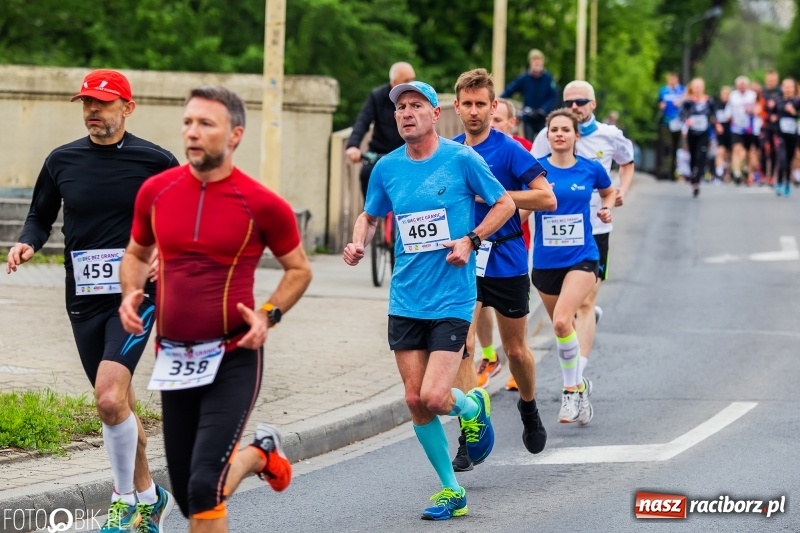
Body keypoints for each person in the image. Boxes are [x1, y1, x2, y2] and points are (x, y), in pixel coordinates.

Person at [118, 86, 313, 533]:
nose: (192, 132)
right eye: (188, 122)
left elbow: (299, 269)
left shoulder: (261, 203)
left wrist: (268, 314)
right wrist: (130, 292)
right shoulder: (156, 191)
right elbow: (135, 253)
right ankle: (260, 455)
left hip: (233, 356)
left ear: (235, 135)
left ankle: (255, 455)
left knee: (205, 486)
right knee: (190, 497)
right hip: (175, 359)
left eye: (206, 124)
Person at [5, 69, 178, 533]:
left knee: (106, 399)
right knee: (117, 404)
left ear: (127, 107)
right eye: (86, 103)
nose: (92, 111)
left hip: (137, 294)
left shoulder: (156, 162)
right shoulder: (62, 160)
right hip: (82, 297)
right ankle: (150, 496)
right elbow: (40, 216)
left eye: (101, 103)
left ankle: (121, 502)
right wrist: (27, 243)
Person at [343, 80, 515, 520]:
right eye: (400, 107)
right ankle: (451, 490)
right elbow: (370, 212)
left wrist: (471, 239)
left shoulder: (461, 159)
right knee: (414, 400)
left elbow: (505, 204)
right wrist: (358, 240)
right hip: (405, 299)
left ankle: (472, 405)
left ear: (436, 113)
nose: (405, 113)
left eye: (415, 105)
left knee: (437, 397)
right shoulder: (387, 167)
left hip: (452, 298)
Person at [448, 69, 555, 473]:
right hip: (464, 261)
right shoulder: (450, 152)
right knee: (463, 346)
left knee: (515, 351)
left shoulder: (509, 150)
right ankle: (468, 431)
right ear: (456, 107)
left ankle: (528, 408)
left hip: (507, 259)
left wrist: (499, 195)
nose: (474, 111)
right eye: (467, 104)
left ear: (494, 107)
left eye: (481, 104)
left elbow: (547, 198)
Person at [532, 80, 635, 425]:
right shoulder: (538, 166)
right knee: (562, 325)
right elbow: (520, 200)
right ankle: (580, 383)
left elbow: (617, 179)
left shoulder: (597, 154)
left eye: (566, 129)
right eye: (554, 129)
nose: (560, 132)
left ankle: (571, 390)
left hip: (586, 249)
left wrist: (613, 202)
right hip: (546, 260)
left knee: (567, 317)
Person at [490, 97, 534, 392]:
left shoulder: (520, 150)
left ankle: (515, 364)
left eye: (497, 119)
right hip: (472, 250)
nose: (492, 123)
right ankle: (485, 357)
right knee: (463, 336)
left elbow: (542, 195)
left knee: (515, 345)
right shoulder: (458, 148)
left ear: (511, 122)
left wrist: (507, 213)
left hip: (511, 244)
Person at [345, 62, 416, 200]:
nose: (411, 84)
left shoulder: (418, 97)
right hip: (379, 153)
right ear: (394, 82)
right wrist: (353, 145)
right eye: (406, 81)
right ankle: (371, 216)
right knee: (367, 174)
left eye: (413, 79)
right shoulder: (377, 96)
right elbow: (362, 121)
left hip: (407, 153)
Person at [501, 49, 558, 142]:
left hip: (543, 117)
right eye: (535, 60)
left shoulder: (548, 78)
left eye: (539, 60)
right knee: (529, 142)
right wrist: (499, 99)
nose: (537, 63)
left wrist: (544, 109)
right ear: (530, 62)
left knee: (544, 141)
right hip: (528, 116)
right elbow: (511, 89)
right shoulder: (524, 78)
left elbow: (553, 96)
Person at [679, 78, 716, 197]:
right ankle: (692, 175)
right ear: (692, 88)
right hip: (692, 132)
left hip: (704, 132)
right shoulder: (687, 102)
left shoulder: (709, 101)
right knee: (693, 155)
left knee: (702, 156)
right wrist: (687, 120)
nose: (698, 89)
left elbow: (713, 114)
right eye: (696, 86)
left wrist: (717, 124)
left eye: (700, 86)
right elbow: (682, 114)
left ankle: (697, 180)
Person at [728, 75, 759, 185]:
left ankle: (747, 171)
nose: (741, 87)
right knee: (737, 149)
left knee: (748, 152)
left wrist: (752, 110)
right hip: (736, 127)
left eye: (743, 85)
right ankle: (736, 172)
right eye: (739, 85)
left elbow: (758, 109)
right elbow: (729, 110)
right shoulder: (733, 95)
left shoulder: (752, 95)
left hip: (749, 128)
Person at [771, 77, 799, 197]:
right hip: (780, 134)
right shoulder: (778, 101)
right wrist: (773, 118)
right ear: (782, 88)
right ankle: (779, 182)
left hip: (793, 135)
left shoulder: (797, 101)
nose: (787, 89)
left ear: (794, 88)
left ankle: (787, 181)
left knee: (788, 160)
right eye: (785, 86)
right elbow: (772, 114)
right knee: (781, 158)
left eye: (790, 86)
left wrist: (794, 113)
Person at [656, 72, 685, 180]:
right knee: (667, 146)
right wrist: (661, 105)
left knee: (677, 147)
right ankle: (665, 171)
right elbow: (659, 102)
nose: (671, 82)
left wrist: (680, 103)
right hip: (666, 122)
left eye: (673, 79)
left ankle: (674, 170)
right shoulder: (663, 90)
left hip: (679, 122)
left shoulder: (682, 90)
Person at [714, 86, 733, 182]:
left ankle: (728, 173)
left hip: (730, 131)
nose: (725, 96)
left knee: (729, 153)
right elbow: (713, 117)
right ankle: (719, 172)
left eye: (727, 94)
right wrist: (717, 125)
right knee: (720, 151)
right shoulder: (717, 105)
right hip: (720, 131)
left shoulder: (732, 105)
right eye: (723, 94)